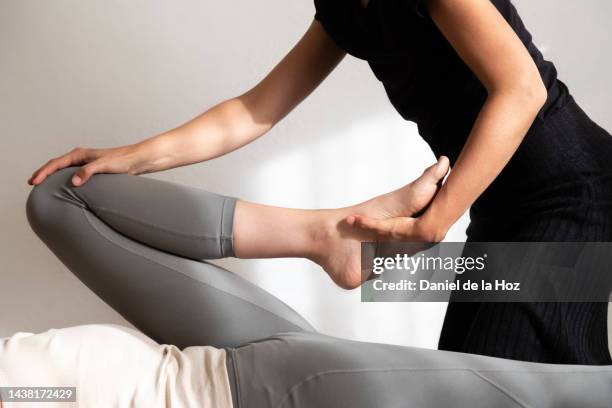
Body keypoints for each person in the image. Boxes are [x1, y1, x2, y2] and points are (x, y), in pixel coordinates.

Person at [27, 0, 612, 364]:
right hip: (502, 210)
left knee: (507, 381)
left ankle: (334, 243)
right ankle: (334, 243)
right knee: (467, 377)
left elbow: (523, 89)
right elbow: (253, 110)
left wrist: (435, 222)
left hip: (578, 193)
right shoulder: (343, 8)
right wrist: (130, 157)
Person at [3, 168, 610, 408]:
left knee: (57, 201)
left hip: (207, 356)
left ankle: (328, 238)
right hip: (251, 396)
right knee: (546, 385)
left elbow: (253, 107)